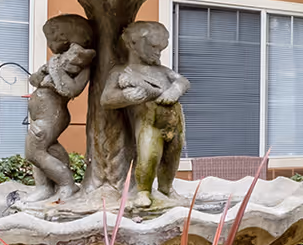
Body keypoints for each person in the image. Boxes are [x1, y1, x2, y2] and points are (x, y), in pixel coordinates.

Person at [100, 20, 189, 208]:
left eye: (161, 48)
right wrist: (126, 96)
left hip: (175, 122)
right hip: (149, 122)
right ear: (133, 44)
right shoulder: (122, 72)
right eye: (153, 47)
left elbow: (183, 81)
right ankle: (144, 191)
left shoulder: (162, 71)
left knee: (172, 158)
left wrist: (175, 90)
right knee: (149, 155)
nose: (158, 53)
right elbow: (106, 99)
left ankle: (166, 189)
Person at [23, 15, 95, 203]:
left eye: (52, 38)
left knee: (33, 152)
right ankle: (45, 188)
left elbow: (71, 90)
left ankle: (66, 184)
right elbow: (33, 80)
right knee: (50, 149)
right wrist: (44, 73)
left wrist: (53, 71)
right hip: (42, 114)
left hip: (52, 116)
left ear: (66, 37)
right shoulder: (59, 59)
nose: (50, 44)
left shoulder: (82, 62)